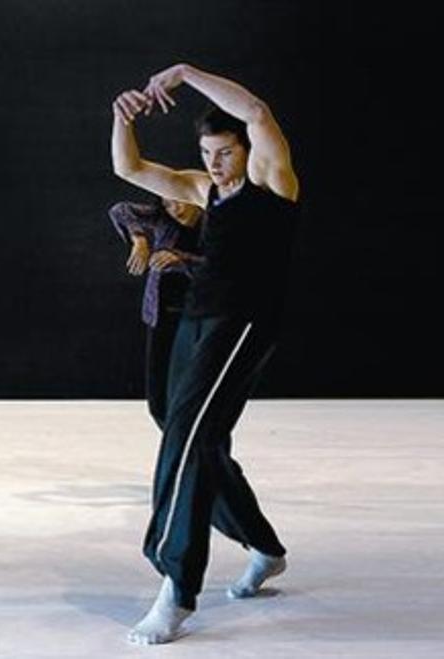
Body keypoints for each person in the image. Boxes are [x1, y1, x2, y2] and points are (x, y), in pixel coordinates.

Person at [111, 63, 300, 644]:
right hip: (194, 320)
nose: (214, 163)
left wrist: (187, 74)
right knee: (184, 428)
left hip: (242, 323)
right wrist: (122, 118)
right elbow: (130, 168)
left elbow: (258, 112)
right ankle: (263, 547)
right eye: (206, 152)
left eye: (223, 152)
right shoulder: (203, 190)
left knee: (188, 436)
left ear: (245, 150)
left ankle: (176, 585)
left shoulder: (273, 181)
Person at [108, 196, 203, 430]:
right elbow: (121, 208)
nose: (175, 209)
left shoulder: (212, 224)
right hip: (161, 315)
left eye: (179, 202)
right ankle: (181, 450)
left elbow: (221, 266)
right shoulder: (163, 219)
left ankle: (194, 453)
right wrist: (139, 239)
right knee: (158, 401)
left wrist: (181, 259)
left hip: (198, 317)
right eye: (168, 204)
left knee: (191, 393)